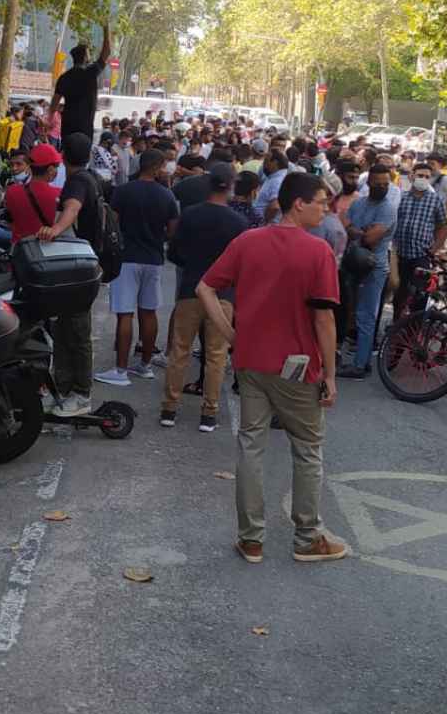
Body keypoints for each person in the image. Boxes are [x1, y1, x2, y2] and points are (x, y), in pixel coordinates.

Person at [196, 171, 349, 565]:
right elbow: (323, 320)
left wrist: (231, 335)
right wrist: (330, 375)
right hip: (297, 367)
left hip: (250, 359)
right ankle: (307, 537)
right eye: (320, 202)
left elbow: (205, 288)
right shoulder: (318, 253)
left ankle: (251, 539)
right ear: (298, 203)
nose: (325, 209)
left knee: (251, 445)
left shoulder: (249, 240)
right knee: (308, 449)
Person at [161, 163, 248, 432]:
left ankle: (170, 408)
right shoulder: (239, 222)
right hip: (222, 295)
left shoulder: (190, 215)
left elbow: (173, 251)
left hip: (190, 287)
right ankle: (209, 413)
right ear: (231, 186)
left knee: (180, 350)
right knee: (216, 355)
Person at [96, 149, 179, 386]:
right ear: (155, 167)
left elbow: (112, 223)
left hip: (127, 258)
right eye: (163, 165)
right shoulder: (167, 195)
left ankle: (120, 370)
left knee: (125, 313)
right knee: (148, 311)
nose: (166, 170)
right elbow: (172, 231)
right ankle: (145, 365)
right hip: (153, 259)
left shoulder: (123, 192)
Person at [37, 133, 103, 418]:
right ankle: (62, 391)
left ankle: (80, 393)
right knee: (64, 328)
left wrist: (55, 229)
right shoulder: (91, 178)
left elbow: (72, 209)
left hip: (80, 269)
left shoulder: (78, 182)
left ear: (63, 156)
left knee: (76, 331)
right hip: (79, 267)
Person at [338, 164, 398, 380]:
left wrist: (356, 231)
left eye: (386, 184)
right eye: (378, 183)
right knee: (349, 312)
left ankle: (360, 365)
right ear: (369, 183)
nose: (382, 187)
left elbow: (370, 238)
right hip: (353, 263)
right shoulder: (360, 202)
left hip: (374, 268)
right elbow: (345, 225)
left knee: (366, 316)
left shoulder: (388, 208)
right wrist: (358, 231)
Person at [387, 160, 447, 318]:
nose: (423, 179)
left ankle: (414, 330)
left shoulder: (435, 200)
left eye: (427, 176)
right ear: (411, 176)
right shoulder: (401, 197)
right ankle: (396, 326)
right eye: (420, 175)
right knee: (399, 293)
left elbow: (443, 225)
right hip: (399, 253)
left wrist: (435, 248)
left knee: (420, 295)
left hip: (421, 254)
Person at [51, 28, 111, 142]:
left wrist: (49, 121)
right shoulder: (91, 72)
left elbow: (54, 105)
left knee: (68, 157)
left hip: (67, 129)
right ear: (85, 58)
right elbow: (106, 52)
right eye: (88, 54)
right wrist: (106, 29)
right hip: (85, 129)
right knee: (82, 158)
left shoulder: (63, 78)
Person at [5, 143, 62, 243]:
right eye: (56, 166)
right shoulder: (60, 195)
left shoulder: (11, 192)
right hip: (48, 252)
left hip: (21, 250)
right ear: (50, 170)